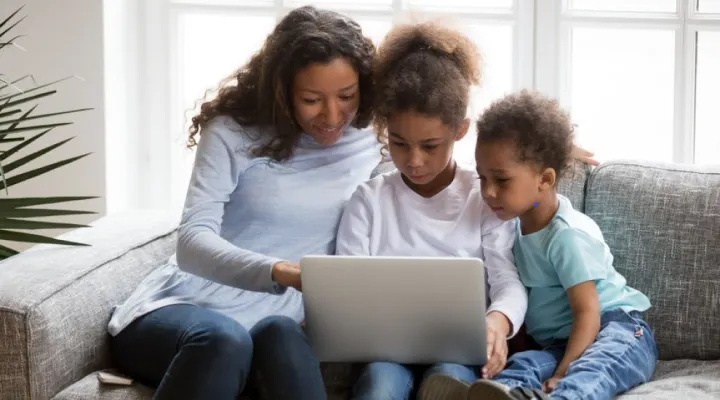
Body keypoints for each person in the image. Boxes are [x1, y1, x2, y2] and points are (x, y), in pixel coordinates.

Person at [106, 6, 382, 400]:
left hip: (276, 321)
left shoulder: (372, 140)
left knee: (280, 333)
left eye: (346, 96)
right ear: (281, 90)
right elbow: (192, 243)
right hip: (184, 311)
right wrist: (284, 273)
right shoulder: (232, 133)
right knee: (225, 340)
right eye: (311, 99)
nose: (332, 115)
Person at [334, 21, 528, 400]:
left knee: (450, 383)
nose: (414, 160)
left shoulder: (485, 196)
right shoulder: (368, 200)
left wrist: (497, 322)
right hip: (383, 351)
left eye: (430, 145)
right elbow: (347, 290)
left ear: (460, 130)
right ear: (383, 130)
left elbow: (507, 281)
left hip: (457, 350)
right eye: (399, 143)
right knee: (379, 386)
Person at [452, 90, 657, 400]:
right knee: (520, 368)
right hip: (559, 343)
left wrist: (563, 372)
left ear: (545, 180)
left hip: (616, 330)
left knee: (589, 373)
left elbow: (588, 312)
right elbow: (519, 148)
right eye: (482, 178)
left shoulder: (566, 236)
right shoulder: (510, 226)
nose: (489, 192)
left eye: (501, 180)